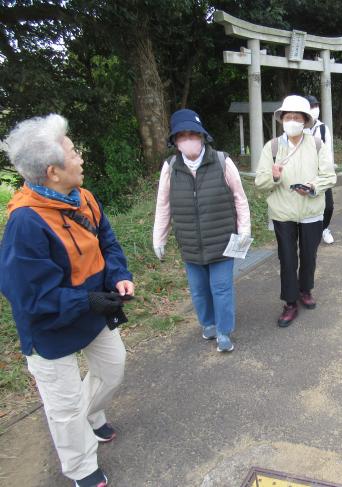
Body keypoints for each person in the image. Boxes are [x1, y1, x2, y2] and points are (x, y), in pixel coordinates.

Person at [0, 114, 133, 487]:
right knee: (63, 406)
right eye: (74, 152)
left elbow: (107, 240)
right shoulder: (26, 223)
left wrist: (119, 276)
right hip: (49, 328)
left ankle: (88, 416)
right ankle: (80, 467)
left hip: (91, 309)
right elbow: (29, 295)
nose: (81, 157)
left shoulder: (82, 198)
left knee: (113, 368)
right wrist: (88, 301)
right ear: (52, 172)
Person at [153, 109, 251, 353]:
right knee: (198, 289)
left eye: (192, 134)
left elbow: (240, 199)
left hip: (222, 240)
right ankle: (207, 323)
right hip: (190, 242)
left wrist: (244, 233)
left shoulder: (221, 161)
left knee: (221, 287)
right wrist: (159, 237)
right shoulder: (171, 167)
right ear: (175, 141)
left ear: (202, 136)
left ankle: (224, 331)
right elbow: (163, 205)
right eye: (182, 135)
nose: (188, 139)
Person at [255, 95, 337, 327]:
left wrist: (313, 187)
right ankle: (290, 302)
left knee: (309, 255)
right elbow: (260, 183)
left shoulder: (317, 144)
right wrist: (274, 176)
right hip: (283, 212)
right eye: (287, 117)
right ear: (281, 119)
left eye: (296, 117)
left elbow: (329, 176)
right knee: (287, 258)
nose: (291, 121)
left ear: (305, 120)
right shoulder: (271, 147)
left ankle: (305, 290)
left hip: (311, 209)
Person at [305, 95, 336, 244]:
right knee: (308, 205)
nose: (314, 109)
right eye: (311, 106)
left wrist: (329, 172)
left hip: (322, 174)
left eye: (316, 106)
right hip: (304, 174)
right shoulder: (300, 128)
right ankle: (310, 232)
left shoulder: (323, 128)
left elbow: (329, 151)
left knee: (328, 206)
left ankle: (324, 228)